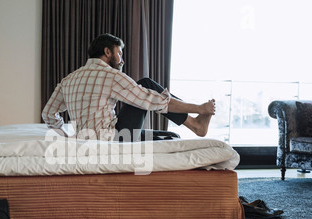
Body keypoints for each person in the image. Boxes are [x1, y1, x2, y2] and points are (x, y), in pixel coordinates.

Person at [42, 33, 216, 142]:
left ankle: (190, 126)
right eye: (119, 54)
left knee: (166, 136)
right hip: (115, 139)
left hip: (87, 137)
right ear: (107, 52)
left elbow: (48, 113)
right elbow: (152, 100)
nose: (122, 60)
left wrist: (66, 136)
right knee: (146, 85)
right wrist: (199, 107)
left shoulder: (68, 80)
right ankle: (195, 124)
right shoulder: (111, 76)